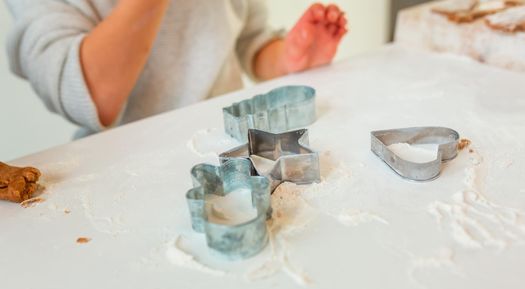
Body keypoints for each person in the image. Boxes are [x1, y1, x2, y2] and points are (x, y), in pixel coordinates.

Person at [5, 1, 347, 136]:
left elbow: (250, 41)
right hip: (121, 170)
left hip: (227, 142)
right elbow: (85, 94)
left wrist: (288, 58)